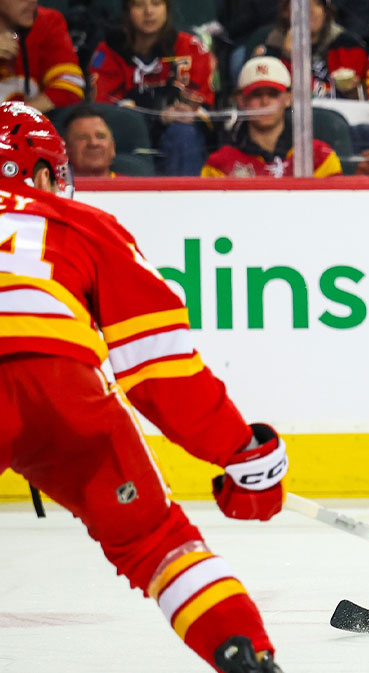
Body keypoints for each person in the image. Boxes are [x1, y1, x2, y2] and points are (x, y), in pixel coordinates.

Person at [0, 101, 286, 673]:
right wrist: (240, 450)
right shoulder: (82, 224)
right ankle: (242, 653)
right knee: (156, 541)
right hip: (61, 386)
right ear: (39, 174)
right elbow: (160, 366)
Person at [88, 0, 215, 176]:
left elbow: (202, 104)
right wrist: (158, 116)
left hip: (181, 135)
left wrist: (183, 110)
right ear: (127, 11)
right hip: (127, 138)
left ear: (167, 9)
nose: (148, 12)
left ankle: (184, 199)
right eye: (139, 5)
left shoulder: (191, 48)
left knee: (182, 133)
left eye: (156, 3)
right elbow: (105, 111)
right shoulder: (108, 51)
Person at [203, 56, 342, 178]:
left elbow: (335, 205)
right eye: (256, 94)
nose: (265, 102)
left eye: (273, 94)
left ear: (289, 98)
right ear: (241, 100)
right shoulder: (219, 164)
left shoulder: (319, 156)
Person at [257, 0, 369, 100]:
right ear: (286, 11)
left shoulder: (347, 45)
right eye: (301, 4)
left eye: (317, 3)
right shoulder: (271, 48)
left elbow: (348, 98)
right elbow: (276, 100)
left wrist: (352, 91)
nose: (310, 10)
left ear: (326, 11)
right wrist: (289, 59)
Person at [0, 1, 84, 112]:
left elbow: (70, 86)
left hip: (34, 124)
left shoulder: (48, 22)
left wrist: (19, 116)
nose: (32, 1)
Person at [63, 105, 118, 177]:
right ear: (66, 148)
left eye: (101, 136)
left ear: (112, 147)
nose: (93, 143)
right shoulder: (52, 187)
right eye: (82, 137)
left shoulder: (132, 187)